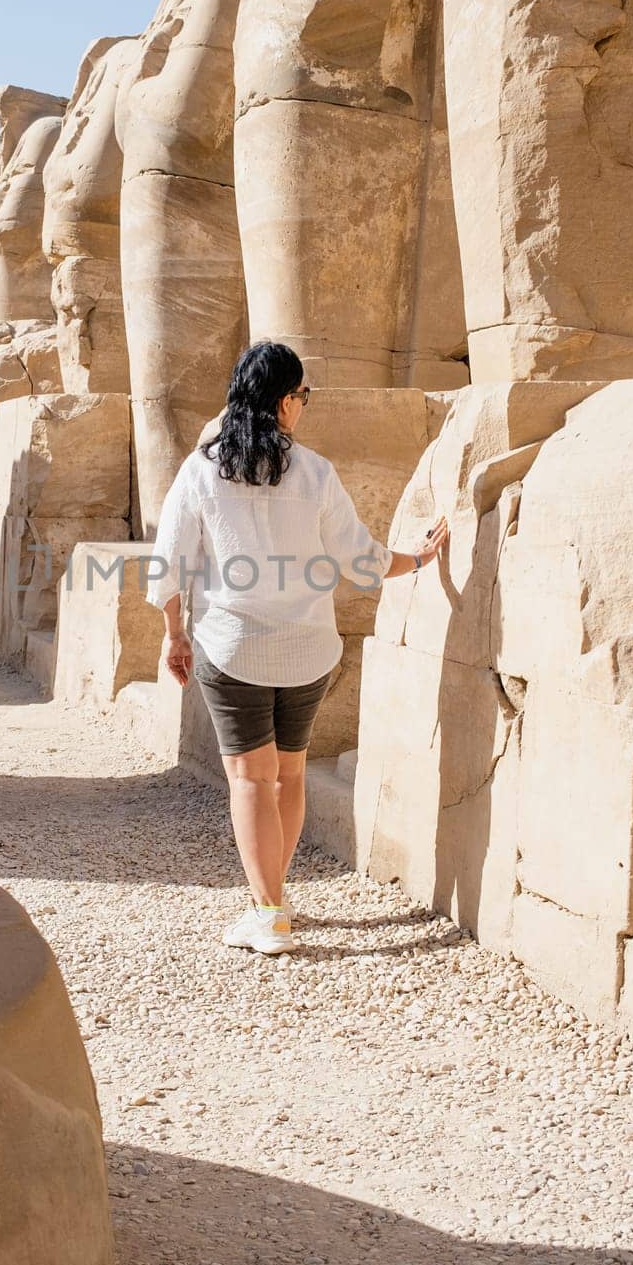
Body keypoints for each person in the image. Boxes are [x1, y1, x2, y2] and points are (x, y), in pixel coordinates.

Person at [145, 341, 448, 956]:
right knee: (288, 775)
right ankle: (274, 903)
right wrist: (419, 558)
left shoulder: (201, 471)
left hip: (232, 651)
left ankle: (270, 912)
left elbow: (170, 560)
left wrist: (173, 634)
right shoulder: (314, 473)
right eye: (302, 396)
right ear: (285, 401)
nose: (303, 406)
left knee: (249, 781)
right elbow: (361, 560)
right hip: (309, 652)